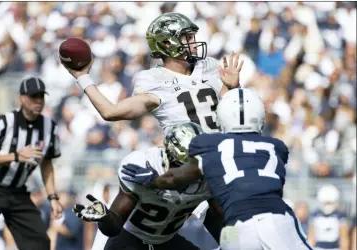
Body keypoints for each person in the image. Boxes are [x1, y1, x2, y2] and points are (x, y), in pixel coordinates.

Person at [124, 88, 313, 250]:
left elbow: (176, 179)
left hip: (239, 226)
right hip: (277, 219)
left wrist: (153, 180)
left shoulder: (211, 145)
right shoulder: (276, 146)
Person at [61, 12, 243, 134]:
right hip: (187, 164)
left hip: (223, 155)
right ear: (168, 43)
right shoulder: (153, 80)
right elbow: (110, 112)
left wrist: (233, 87)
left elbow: (234, 113)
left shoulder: (209, 65)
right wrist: (82, 77)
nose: (194, 43)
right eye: (187, 38)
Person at [73, 122, 223, 250]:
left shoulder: (208, 177)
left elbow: (219, 219)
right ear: (168, 155)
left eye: (193, 165)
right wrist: (105, 218)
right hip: (130, 239)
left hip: (166, 241)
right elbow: (113, 227)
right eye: (182, 165)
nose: (187, 173)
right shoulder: (142, 166)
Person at [0, 76, 63, 250]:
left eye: (41, 96)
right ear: (21, 99)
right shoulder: (4, 122)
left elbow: (47, 163)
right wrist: (14, 156)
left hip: (17, 191)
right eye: (34, 96)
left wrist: (53, 197)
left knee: (40, 242)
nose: (39, 101)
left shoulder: (49, 127)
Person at [307, 185, 350, 250]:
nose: (327, 205)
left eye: (329, 203)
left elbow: (343, 238)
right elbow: (311, 236)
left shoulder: (340, 216)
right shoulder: (315, 215)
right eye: (326, 203)